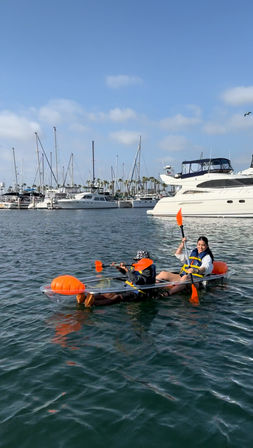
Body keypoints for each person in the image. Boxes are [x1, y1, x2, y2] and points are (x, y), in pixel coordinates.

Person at [77, 250, 156, 307]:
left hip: (139, 292)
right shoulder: (138, 267)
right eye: (137, 260)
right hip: (129, 288)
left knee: (117, 298)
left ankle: (93, 303)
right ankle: (87, 298)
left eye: (139, 260)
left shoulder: (149, 270)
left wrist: (126, 269)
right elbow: (128, 275)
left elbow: (137, 281)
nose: (137, 262)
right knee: (109, 294)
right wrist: (120, 269)